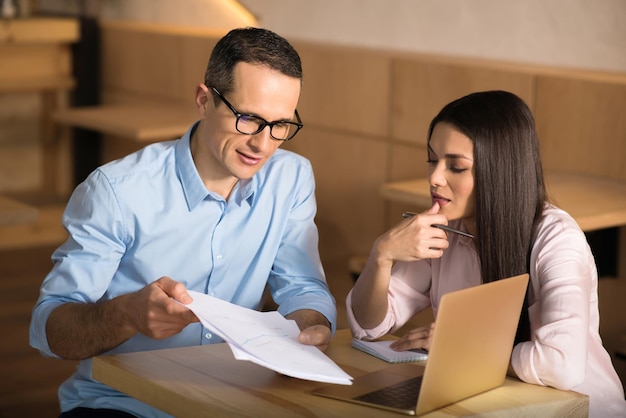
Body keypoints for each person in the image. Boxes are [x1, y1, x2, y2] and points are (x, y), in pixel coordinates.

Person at [30, 27, 336, 417]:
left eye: (280, 126)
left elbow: (303, 285)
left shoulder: (291, 178)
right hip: (127, 404)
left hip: (238, 401)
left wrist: (310, 324)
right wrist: (127, 315)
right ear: (203, 100)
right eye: (248, 119)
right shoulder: (116, 191)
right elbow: (49, 329)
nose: (263, 144)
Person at [347, 90, 626, 417]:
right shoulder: (444, 229)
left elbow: (560, 364)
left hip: (581, 409)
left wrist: (461, 347)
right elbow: (369, 326)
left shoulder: (557, 238)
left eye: (456, 166)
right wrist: (382, 255)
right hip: (494, 402)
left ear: (500, 170)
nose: (435, 178)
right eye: (432, 160)